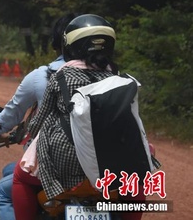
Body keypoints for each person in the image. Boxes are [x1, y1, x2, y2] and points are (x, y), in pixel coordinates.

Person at [12, 14, 145, 220]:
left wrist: (28, 131)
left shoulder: (61, 77)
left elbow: (40, 120)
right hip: (111, 165)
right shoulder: (120, 80)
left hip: (64, 162)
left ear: (70, 47)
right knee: (136, 181)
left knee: (20, 179)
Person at [0, 13, 76, 220]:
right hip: (104, 168)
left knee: (6, 189)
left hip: (57, 165)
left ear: (57, 43)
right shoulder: (113, 78)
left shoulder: (44, 76)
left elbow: (14, 113)